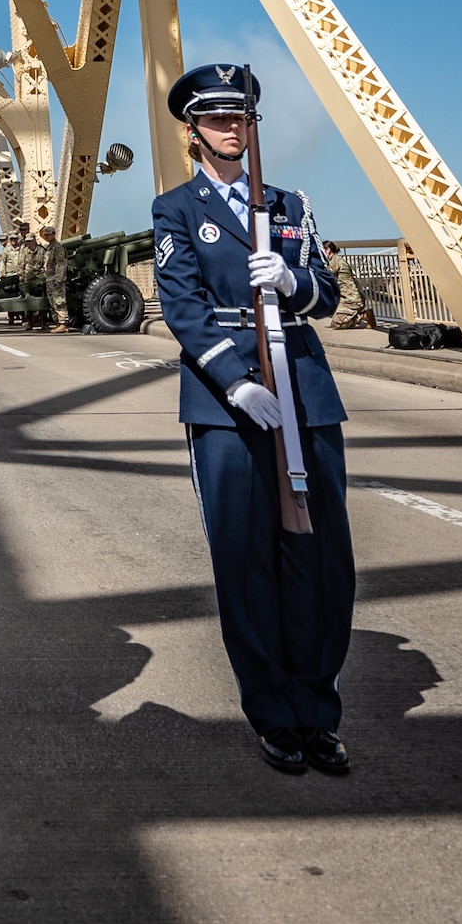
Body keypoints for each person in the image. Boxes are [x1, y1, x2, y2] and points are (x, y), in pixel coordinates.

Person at [153, 64, 354, 778]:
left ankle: (317, 712)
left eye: (240, 118)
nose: (231, 129)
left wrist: (295, 281)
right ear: (194, 132)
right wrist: (235, 383)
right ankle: (273, 714)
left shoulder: (289, 204)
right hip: (226, 398)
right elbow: (180, 304)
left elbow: (327, 292)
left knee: (320, 557)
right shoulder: (177, 209)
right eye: (216, 119)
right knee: (246, 559)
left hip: (301, 384)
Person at [324, 242, 374, 330]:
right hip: (349, 298)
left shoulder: (335, 261)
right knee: (334, 316)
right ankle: (355, 315)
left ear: (328, 250)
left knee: (336, 324)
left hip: (351, 299)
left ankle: (363, 316)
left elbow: (327, 275)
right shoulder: (337, 259)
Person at [40, 224, 69, 331]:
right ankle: (58, 322)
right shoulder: (49, 248)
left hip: (55, 279)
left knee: (59, 301)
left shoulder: (58, 248)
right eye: (45, 235)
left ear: (53, 235)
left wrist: (58, 279)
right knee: (52, 302)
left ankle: (63, 323)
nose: (46, 237)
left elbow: (60, 265)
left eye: (48, 235)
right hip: (49, 279)